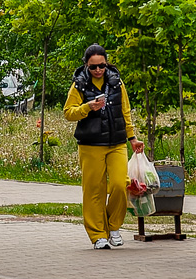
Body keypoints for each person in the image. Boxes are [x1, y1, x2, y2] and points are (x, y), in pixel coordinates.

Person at [62, 44, 146, 250]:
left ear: (107, 63)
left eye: (101, 65)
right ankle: (98, 234)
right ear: (86, 65)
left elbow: (125, 110)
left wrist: (132, 138)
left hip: (116, 142)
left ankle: (113, 227)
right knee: (94, 190)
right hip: (91, 144)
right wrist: (87, 107)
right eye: (93, 67)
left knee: (119, 184)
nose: (98, 70)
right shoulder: (79, 85)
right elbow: (68, 112)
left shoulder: (116, 82)